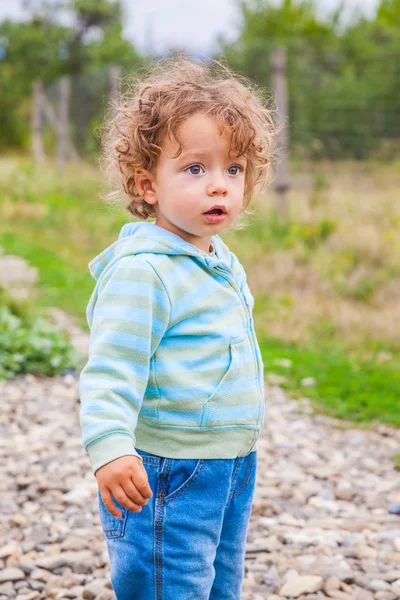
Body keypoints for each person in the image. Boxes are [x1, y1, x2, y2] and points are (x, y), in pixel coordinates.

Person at [79, 56, 278, 599]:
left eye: (232, 170)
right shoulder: (144, 271)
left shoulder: (218, 259)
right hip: (167, 470)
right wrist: (112, 446)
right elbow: (111, 368)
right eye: (195, 169)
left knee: (218, 584)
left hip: (231, 464)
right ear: (147, 183)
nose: (219, 187)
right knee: (169, 585)